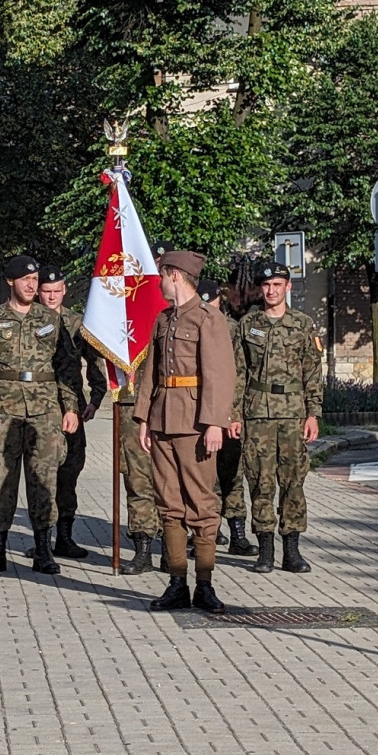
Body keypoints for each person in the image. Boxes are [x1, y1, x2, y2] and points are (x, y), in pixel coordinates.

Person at [0, 255, 81, 576]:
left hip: (45, 411)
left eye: (35, 280)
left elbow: (67, 367)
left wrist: (71, 407)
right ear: (10, 282)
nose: (32, 285)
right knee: (3, 479)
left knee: (44, 479)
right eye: (26, 280)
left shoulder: (51, 320)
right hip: (2, 410)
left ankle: (43, 550)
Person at [134, 250, 235, 612]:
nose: (159, 282)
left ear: (175, 275)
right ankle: (177, 582)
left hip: (194, 423)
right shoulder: (163, 320)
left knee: (202, 505)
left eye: (162, 275)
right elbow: (152, 372)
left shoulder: (209, 318)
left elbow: (221, 374)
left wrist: (213, 423)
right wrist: (144, 417)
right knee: (169, 504)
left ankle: (204, 585)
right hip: (163, 419)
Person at [232, 261, 323, 574]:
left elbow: (313, 373)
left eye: (277, 285)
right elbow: (238, 373)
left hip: (293, 414)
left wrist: (313, 414)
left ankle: (292, 552)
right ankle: (265, 551)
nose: (271, 291)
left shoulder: (303, 324)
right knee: (260, 482)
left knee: (293, 482)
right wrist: (234, 414)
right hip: (257, 413)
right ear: (261, 289)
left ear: (288, 287)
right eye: (266, 286)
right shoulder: (249, 324)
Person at [23, 264, 108, 559]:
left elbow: (95, 362)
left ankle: (65, 537)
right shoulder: (29, 322)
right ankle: (42, 540)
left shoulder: (77, 323)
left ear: (65, 290)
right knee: (41, 475)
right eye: (46, 291)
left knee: (69, 472)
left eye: (57, 291)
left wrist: (96, 399)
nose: (51, 296)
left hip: (72, 411)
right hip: (39, 409)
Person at [196, 279, 258, 557]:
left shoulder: (231, 330)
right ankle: (208, 531)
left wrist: (233, 415)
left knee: (232, 474)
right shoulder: (190, 327)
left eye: (213, 304)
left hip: (226, 414)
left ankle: (237, 534)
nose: (209, 309)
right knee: (203, 476)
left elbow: (239, 374)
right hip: (198, 414)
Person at [115, 378, 162, 575]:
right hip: (132, 406)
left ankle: (172, 549)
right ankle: (143, 551)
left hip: (172, 402)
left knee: (174, 483)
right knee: (137, 481)